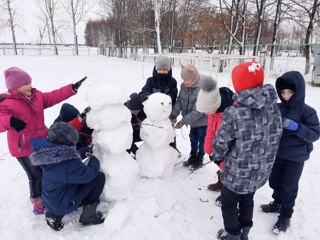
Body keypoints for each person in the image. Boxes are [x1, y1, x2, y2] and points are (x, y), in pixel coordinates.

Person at [210, 62, 283, 240]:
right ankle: (245, 232)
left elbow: (221, 141)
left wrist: (216, 155)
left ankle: (233, 234)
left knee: (228, 203)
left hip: (237, 173)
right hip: (260, 171)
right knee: (247, 199)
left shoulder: (234, 112)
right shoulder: (273, 107)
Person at [0, 67, 85, 215]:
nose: (29, 86)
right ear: (14, 87)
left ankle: (48, 195)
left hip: (40, 143)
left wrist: (71, 88)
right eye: (25, 84)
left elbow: (53, 96)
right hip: (23, 148)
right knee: (35, 175)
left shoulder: (36, 97)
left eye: (30, 82)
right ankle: (37, 202)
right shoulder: (7, 103)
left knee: (46, 172)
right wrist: (10, 120)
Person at [260, 71, 320, 234]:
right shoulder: (277, 108)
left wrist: (297, 127)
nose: (286, 95)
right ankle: (277, 202)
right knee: (274, 181)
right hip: (277, 153)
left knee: (289, 186)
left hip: (296, 157)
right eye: (283, 92)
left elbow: (315, 134)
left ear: (298, 91)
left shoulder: (308, 112)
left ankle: (285, 215)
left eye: (290, 92)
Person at [29, 122, 106, 231]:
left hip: (50, 201)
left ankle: (53, 215)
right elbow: (88, 175)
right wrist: (94, 159)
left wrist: (83, 151)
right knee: (99, 178)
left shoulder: (47, 154)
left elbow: (66, 159)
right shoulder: (67, 164)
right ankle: (89, 215)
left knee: (67, 182)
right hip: (63, 204)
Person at [196, 76, 234, 206]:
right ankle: (222, 182)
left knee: (229, 171)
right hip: (220, 148)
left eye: (207, 110)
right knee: (222, 167)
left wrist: (220, 153)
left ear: (215, 104)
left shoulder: (231, 113)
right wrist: (208, 148)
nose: (206, 114)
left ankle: (228, 194)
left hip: (231, 150)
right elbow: (211, 130)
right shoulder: (213, 111)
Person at [170, 64, 207, 168]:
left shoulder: (202, 88)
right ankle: (193, 155)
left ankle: (200, 157)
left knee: (202, 139)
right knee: (193, 138)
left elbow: (199, 110)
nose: (185, 82)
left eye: (188, 80)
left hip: (203, 121)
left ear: (194, 78)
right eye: (184, 79)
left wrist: (183, 121)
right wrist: (173, 114)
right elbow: (180, 101)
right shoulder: (184, 86)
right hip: (192, 121)